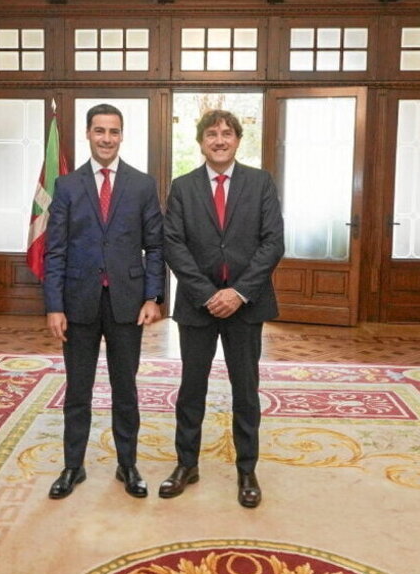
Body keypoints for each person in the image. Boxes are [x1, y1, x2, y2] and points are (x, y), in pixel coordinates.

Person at [159, 109, 284, 508]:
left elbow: (272, 242)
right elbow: (173, 244)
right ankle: (186, 464)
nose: (219, 140)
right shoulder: (183, 187)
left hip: (246, 306)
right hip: (198, 306)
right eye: (211, 134)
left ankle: (247, 469)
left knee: (245, 390)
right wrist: (207, 293)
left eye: (226, 133)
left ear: (237, 140)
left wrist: (238, 293)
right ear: (200, 142)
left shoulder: (260, 182)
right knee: (191, 389)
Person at [44, 103, 165, 500]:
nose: (107, 138)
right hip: (78, 303)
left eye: (114, 131)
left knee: (124, 389)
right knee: (78, 390)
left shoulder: (143, 184)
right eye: (100, 131)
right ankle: (72, 467)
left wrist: (153, 296)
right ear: (88, 134)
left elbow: (155, 246)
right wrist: (54, 306)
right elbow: (55, 250)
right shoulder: (66, 186)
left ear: (122, 136)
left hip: (127, 304)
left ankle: (127, 464)